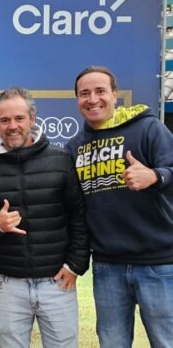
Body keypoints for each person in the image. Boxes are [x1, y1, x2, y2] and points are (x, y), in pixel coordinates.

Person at [0, 87, 89, 348]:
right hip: (7, 286)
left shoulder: (61, 159)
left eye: (19, 118)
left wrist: (75, 265)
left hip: (57, 283)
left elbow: (79, 216)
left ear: (32, 119)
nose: (12, 126)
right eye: (5, 120)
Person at [67, 66, 173, 348]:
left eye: (100, 91)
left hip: (158, 263)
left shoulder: (147, 128)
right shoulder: (74, 147)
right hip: (107, 266)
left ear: (115, 95)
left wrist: (156, 176)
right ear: (77, 100)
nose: (93, 99)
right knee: (112, 343)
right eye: (84, 93)